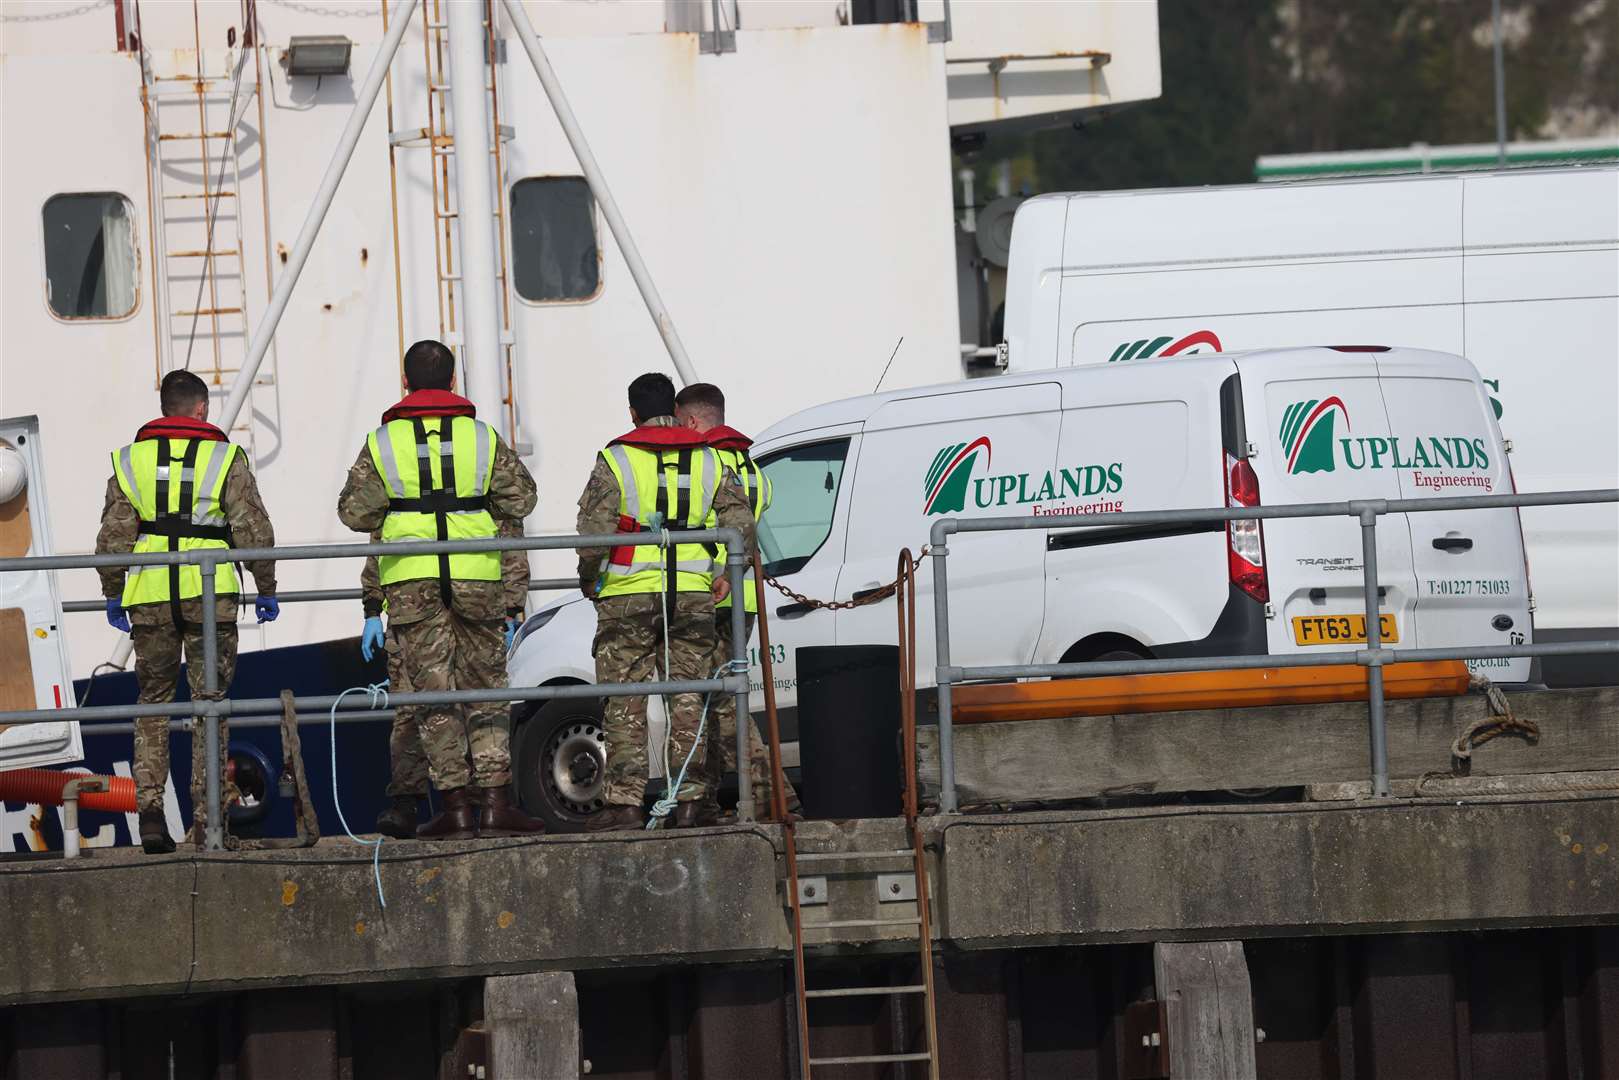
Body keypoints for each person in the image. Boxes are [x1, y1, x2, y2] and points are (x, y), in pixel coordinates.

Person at [337, 339, 543, 840]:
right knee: (486, 693)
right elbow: (525, 497)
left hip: (412, 583)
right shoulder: (483, 437)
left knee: (433, 700)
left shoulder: (384, 443)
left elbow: (353, 512)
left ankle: (454, 811)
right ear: (453, 381)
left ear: (406, 382)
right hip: (477, 579)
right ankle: (495, 805)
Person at [96, 369, 279, 854]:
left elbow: (113, 538)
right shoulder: (225, 458)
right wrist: (267, 587)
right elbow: (253, 531)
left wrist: (114, 592)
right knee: (209, 705)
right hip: (211, 595)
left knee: (153, 703)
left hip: (150, 596)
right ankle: (208, 821)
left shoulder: (131, 460)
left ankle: (151, 815)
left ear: (163, 408)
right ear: (201, 409)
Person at [575, 372, 756, 832]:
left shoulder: (616, 458)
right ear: (676, 412)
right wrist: (727, 573)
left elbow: (594, 533)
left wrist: (589, 580)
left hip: (628, 594)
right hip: (693, 593)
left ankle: (627, 805)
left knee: (625, 700)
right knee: (688, 698)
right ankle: (691, 802)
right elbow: (741, 522)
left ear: (632, 413)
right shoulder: (711, 458)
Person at [673, 382, 801, 820]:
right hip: (744, 597)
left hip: (709, 593)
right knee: (711, 701)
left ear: (690, 421)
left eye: (677, 422)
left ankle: (771, 796)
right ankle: (704, 799)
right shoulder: (753, 468)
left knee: (721, 702)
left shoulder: (702, 466)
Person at [362, 519, 531, 839]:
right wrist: (372, 605)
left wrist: (512, 604)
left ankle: (471, 805)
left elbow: (509, 530)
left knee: (466, 703)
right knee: (414, 708)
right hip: (420, 606)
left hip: (455, 602)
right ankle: (409, 803)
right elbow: (380, 541)